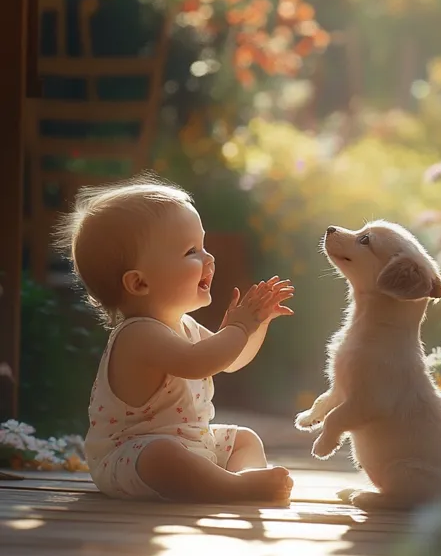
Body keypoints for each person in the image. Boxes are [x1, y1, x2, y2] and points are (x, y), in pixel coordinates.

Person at [56, 174, 295, 504]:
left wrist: (255, 325)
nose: (209, 259)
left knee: (244, 439)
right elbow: (199, 363)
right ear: (139, 283)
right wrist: (237, 329)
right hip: (131, 456)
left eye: (204, 246)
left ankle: (238, 479)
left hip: (194, 444)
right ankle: (233, 488)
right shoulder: (138, 335)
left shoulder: (186, 326)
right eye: (191, 251)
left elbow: (232, 360)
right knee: (162, 455)